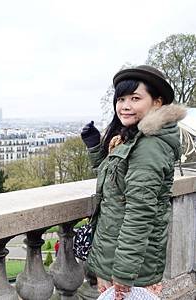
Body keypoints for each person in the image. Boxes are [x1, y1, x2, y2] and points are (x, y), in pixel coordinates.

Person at [80, 65, 186, 300]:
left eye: (135, 98)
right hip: (118, 256)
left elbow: (139, 213)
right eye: (121, 98)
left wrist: (124, 275)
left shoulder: (149, 146)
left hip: (128, 266)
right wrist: (95, 147)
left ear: (157, 103)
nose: (125, 105)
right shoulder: (134, 138)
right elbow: (115, 183)